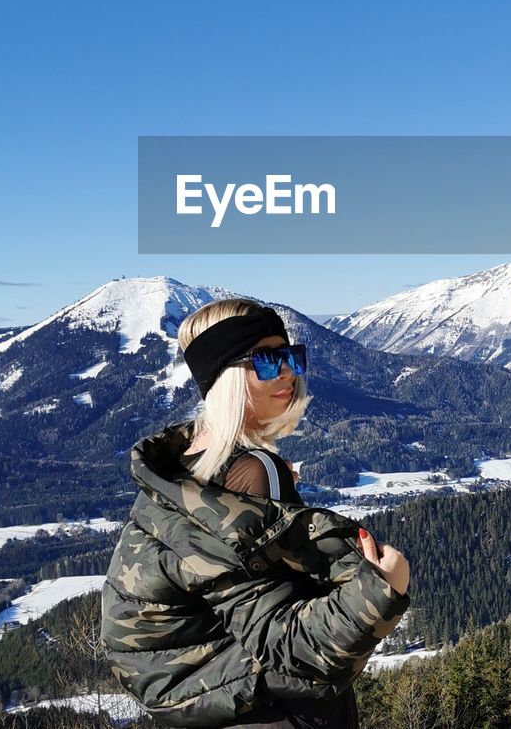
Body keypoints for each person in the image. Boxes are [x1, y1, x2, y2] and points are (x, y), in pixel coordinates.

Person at [101, 298, 411, 728]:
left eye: (289, 356)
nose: (286, 372)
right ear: (224, 376)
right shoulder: (251, 470)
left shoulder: (183, 462)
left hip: (216, 706)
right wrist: (380, 590)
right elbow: (289, 648)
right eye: (265, 361)